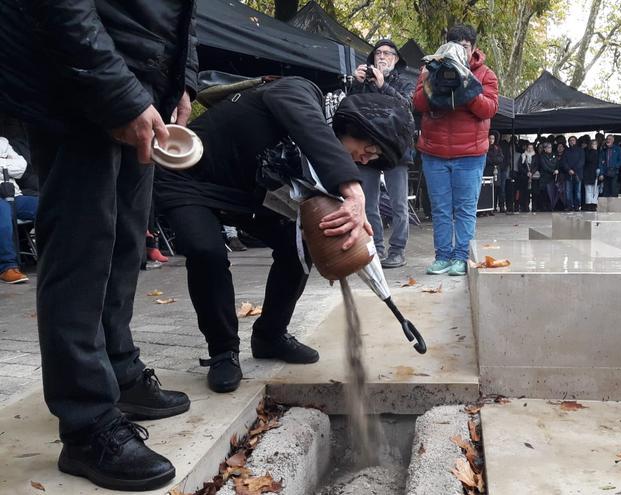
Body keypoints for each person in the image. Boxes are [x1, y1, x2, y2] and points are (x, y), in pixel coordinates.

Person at [1, 1, 198, 490]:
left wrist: (181, 81)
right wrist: (117, 92)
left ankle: (119, 371)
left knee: (126, 244)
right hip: (78, 79)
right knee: (80, 252)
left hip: (142, 86)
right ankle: (86, 423)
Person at [154, 80, 412, 393]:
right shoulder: (300, 92)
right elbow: (310, 127)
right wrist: (353, 189)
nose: (364, 161)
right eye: (369, 151)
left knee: (298, 244)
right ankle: (223, 351)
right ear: (357, 125)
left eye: (372, 161)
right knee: (205, 251)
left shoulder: (322, 168)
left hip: (247, 196)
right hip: (189, 179)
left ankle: (270, 336)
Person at [414, 24, 499, 276]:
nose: (460, 50)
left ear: (472, 48)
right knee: (440, 208)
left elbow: (489, 109)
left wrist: (465, 85)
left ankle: (461, 257)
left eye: (464, 46)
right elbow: (418, 103)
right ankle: (442, 256)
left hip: (470, 154)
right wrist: (434, 80)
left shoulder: (485, 74)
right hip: (434, 152)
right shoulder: (429, 69)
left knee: (464, 209)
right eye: (455, 45)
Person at [350, 39, 415, 268]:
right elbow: (349, 110)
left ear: (396, 59)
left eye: (388, 53)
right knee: (369, 204)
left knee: (399, 204)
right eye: (378, 52)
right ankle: (376, 249)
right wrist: (356, 84)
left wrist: (383, 86)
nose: (382, 56)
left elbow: (407, 107)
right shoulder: (363, 83)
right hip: (368, 150)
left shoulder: (405, 83)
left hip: (396, 150)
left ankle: (397, 250)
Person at [0, 134, 36, 283]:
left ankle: (66, 257)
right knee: (2, 214)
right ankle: (8, 267)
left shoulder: (3, 142)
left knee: (51, 207)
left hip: (15, 195)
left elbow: (22, 166)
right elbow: (16, 166)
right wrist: (6, 162)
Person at [560, 135, 584, 210]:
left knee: (577, 192)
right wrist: (568, 170)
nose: (572, 142)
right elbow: (564, 162)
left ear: (576, 141)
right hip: (568, 174)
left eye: (573, 140)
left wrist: (574, 170)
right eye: (570, 140)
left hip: (578, 174)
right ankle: (569, 206)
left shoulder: (580, 150)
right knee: (568, 192)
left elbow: (582, 161)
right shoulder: (566, 151)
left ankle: (577, 206)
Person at [486, 132, 505, 212]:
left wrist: (493, 160)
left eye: (493, 138)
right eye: (490, 138)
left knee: (496, 189)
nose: (491, 140)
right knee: (487, 189)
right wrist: (493, 160)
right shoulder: (485, 147)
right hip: (487, 170)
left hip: (496, 171)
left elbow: (501, 158)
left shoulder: (498, 148)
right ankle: (488, 208)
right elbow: (486, 159)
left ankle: (494, 207)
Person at [583, 139, 600, 210]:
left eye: (595, 144)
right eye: (593, 144)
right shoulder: (588, 153)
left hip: (596, 173)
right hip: (588, 173)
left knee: (595, 190)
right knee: (588, 190)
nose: (594, 145)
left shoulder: (599, 153)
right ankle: (589, 204)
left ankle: (594, 204)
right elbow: (589, 159)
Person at [517, 142, 535, 213]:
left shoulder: (535, 156)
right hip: (524, 176)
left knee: (532, 193)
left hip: (532, 177)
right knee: (523, 193)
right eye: (528, 148)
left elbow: (536, 165)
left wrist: (532, 172)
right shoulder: (523, 155)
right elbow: (520, 166)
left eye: (531, 148)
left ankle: (531, 206)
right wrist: (526, 172)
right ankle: (523, 207)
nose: (530, 149)